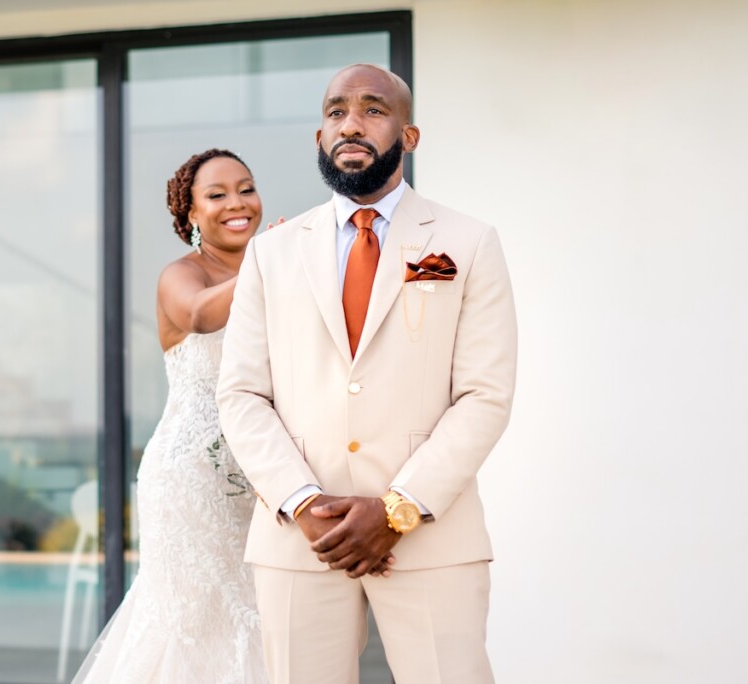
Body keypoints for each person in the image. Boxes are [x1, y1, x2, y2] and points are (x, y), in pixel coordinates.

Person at [216, 64, 518, 684]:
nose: (351, 124)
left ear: (409, 136)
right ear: (319, 136)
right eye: (335, 111)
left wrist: (398, 509)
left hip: (433, 538)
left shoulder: (469, 242)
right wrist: (301, 503)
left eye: (373, 110)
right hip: (302, 540)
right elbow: (242, 392)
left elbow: (484, 396)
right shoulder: (271, 253)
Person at [72, 149, 268, 683]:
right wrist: (271, 262)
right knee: (192, 624)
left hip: (269, 479)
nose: (238, 203)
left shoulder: (276, 272)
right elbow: (202, 315)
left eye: (246, 188)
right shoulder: (180, 275)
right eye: (218, 194)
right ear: (190, 217)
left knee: (262, 622)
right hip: (192, 481)